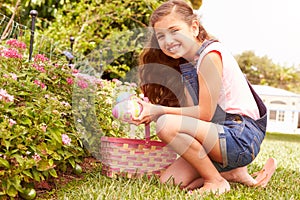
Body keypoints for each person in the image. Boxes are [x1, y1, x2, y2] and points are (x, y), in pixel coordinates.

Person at [133, 0, 276, 195]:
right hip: (219, 136)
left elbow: (204, 114)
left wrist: (158, 112)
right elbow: (192, 116)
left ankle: (215, 180)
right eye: (161, 36)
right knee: (170, 182)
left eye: (174, 30)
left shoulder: (210, 56)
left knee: (166, 124)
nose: (168, 40)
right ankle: (232, 173)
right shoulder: (188, 64)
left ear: (194, 27)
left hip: (240, 136)